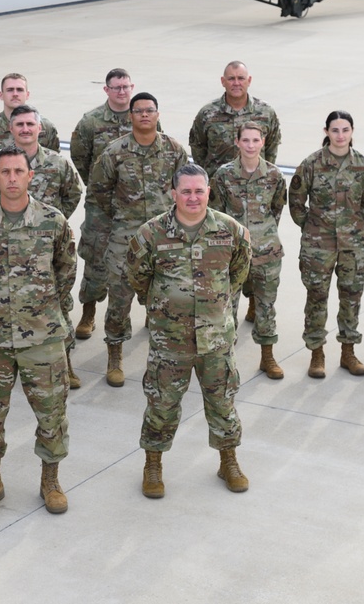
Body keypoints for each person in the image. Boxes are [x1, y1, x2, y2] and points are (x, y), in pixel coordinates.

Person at [0, 145, 77, 516]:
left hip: (43, 337)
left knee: (51, 411)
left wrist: (39, 309)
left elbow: (65, 269)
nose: (11, 178)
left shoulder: (53, 221)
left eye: (18, 171)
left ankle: (50, 480)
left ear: (30, 175)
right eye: (4, 172)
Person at [126, 163, 252, 498]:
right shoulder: (151, 233)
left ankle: (229, 460)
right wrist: (163, 306)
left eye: (199, 190)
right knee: (162, 404)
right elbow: (138, 277)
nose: (193, 197)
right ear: (173, 193)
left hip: (216, 339)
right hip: (170, 341)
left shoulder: (231, 231)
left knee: (223, 402)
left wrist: (215, 305)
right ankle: (153, 464)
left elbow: (239, 272)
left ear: (208, 191)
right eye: (186, 191)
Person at [0, 105, 83, 386]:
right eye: (18, 124)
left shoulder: (58, 163)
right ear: (10, 129)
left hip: (45, 245)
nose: (24, 129)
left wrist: (52, 224)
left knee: (60, 309)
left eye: (30, 124)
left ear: (39, 128)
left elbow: (73, 194)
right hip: (2, 245)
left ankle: (64, 362)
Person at [88, 92, 188, 387]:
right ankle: (115, 352)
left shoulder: (174, 150)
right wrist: (121, 216)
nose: (145, 115)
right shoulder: (114, 152)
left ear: (158, 114)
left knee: (169, 296)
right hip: (126, 236)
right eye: (139, 111)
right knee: (119, 295)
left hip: (164, 237)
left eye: (150, 110)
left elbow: (185, 189)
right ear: (130, 116)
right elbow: (100, 191)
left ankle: (166, 357)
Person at [69, 68, 161, 341]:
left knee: (147, 260)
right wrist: (103, 189)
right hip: (102, 208)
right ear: (106, 90)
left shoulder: (144, 115)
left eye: (126, 87)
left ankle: (149, 311)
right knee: (97, 260)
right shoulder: (91, 122)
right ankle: (88, 312)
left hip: (139, 207)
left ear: (132, 87)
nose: (122, 92)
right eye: (116, 87)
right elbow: (80, 158)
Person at [290, 111, 364, 378]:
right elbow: (295, 200)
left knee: (351, 297)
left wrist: (352, 225)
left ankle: (348, 352)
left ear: (352, 132)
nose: (340, 135)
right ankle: (317, 353)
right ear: (326, 131)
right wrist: (311, 227)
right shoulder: (311, 164)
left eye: (345, 130)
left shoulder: (362, 165)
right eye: (335, 130)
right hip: (319, 245)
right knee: (317, 297)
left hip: (353, 244)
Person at [209, 122, 287, 380]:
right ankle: (225, 361)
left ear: (263, 142)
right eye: (246, 140)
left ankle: (267, 357)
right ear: (237, 142)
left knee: (266, 306)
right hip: (232, 252)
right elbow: (216, 213)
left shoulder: (274, 175)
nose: (251, 145)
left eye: (256, 140)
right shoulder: (223, 175)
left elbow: (276, 209)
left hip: (267, 252)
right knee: (227, 307)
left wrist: (263, 233)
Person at [189, 61, 282, 178]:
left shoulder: (266, 112)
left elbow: (271, 147)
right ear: (223, 81)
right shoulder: (207, 113)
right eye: (231, 79)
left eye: (241, 78)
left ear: (249, 81)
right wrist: (209, 175)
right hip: (218, 187)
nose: (236, 83)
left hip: (255, 187)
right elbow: (197, 147)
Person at [0, 72, 61, 172]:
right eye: (10, 90)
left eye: (20, 90)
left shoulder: (46, 127)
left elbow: (53, 160)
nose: (15, 94)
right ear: (1, 95)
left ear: (27, 94)